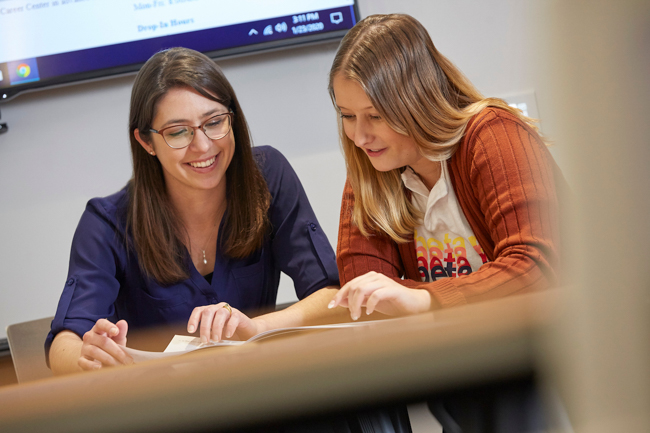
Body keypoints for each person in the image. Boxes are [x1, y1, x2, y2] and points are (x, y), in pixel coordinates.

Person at [326, 14, 566, 432]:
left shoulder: (493, 133)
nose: (359, 136)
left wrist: (424, 300)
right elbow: (365, 296)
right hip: (464, 370)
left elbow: (537, 266)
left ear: (415, 100)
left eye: (375, 115)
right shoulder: (373, 166)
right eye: (347, 116)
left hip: (547, 358)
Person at [46, 47, 342, 375]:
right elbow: (63, 343)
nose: (202, 146)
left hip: (258, 391)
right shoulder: (107, 223)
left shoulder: (267, 176)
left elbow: (330, 293)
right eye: (178, 132)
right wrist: (89, 356)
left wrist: (258, 328)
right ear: (147, 142)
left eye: (214, 122)